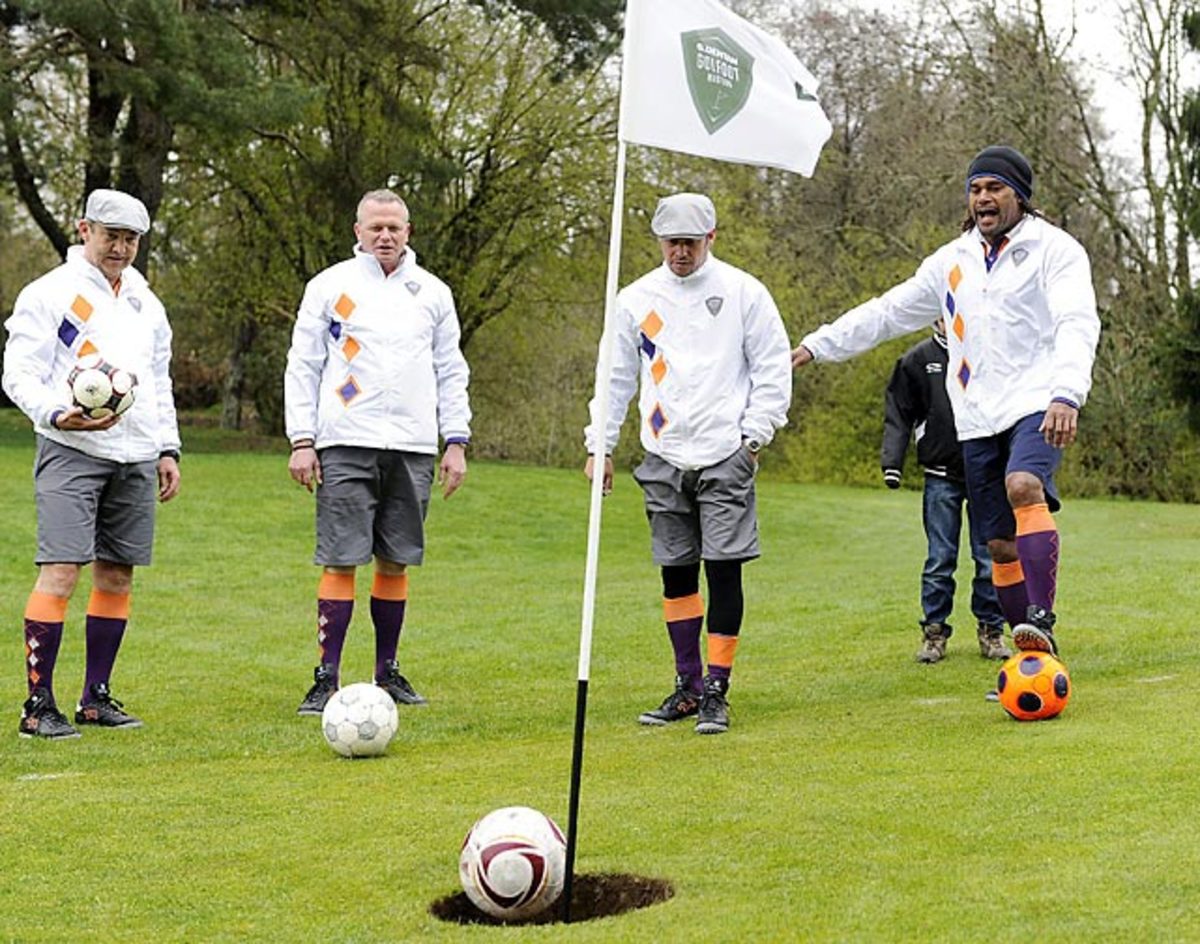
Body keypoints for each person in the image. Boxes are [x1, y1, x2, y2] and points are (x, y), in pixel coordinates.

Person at [794, 145, 1101, 657]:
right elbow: (887, 312)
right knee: (999, 546)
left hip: (1037, 399)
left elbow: (1077, 321)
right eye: (975, 189)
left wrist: (1066, 393)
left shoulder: (1055, 250)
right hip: (976, 414)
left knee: (1023, 484)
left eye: (995, 188)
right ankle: (1031, 659)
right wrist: (818, 345)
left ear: (1019, 195)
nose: (983, 198)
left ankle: (1042, 617)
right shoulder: (951, 261)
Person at [584, 192, 792, 735]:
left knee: (723, 569)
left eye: (691, 243)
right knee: (676, 573)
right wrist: (600, 445)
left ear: (711, 238)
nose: (681, 252)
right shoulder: (636, 299)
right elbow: (615, 376)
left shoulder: (744, 292)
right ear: (659, 241)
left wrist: (753, 438)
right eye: (672, 242)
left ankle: (718, 689)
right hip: (664, 453)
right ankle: (688, 685)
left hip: (726, 453)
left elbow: (773, 368)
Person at [2, 188, 182, 739]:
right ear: (85, 230)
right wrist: (57, 414)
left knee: (117, 574)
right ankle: (38, 705)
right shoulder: (48, 293)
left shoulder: (146, 303)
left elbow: (158, 380)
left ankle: (95, 698)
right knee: (61, 571)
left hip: (135, 454)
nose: (121, 248)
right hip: (71, 450)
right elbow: (18, 372)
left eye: (131, 239)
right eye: (111, 236)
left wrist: (167, 447)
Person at [284, 188, 470, 715]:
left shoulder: (432, 292)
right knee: (342, 558)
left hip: (412, 444)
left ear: (408, 231)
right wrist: (302, 439)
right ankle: (326, 677)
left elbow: (451, 368)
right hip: (345, 439)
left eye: (394, 227)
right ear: (358, 232)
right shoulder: (329, 286)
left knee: (396, 560)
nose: (385, 236)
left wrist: (456, 440)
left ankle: (387, 671)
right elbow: (303, 364)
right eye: (375, 227)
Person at [882, 319, 1009, 663]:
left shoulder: (990, 351)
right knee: (940, 559)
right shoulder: (918, 359)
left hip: (986, 472)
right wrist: (892, 462)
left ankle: (992, 630)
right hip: (940, 473)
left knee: (989, 556)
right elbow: (899, 412)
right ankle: (934, 633)